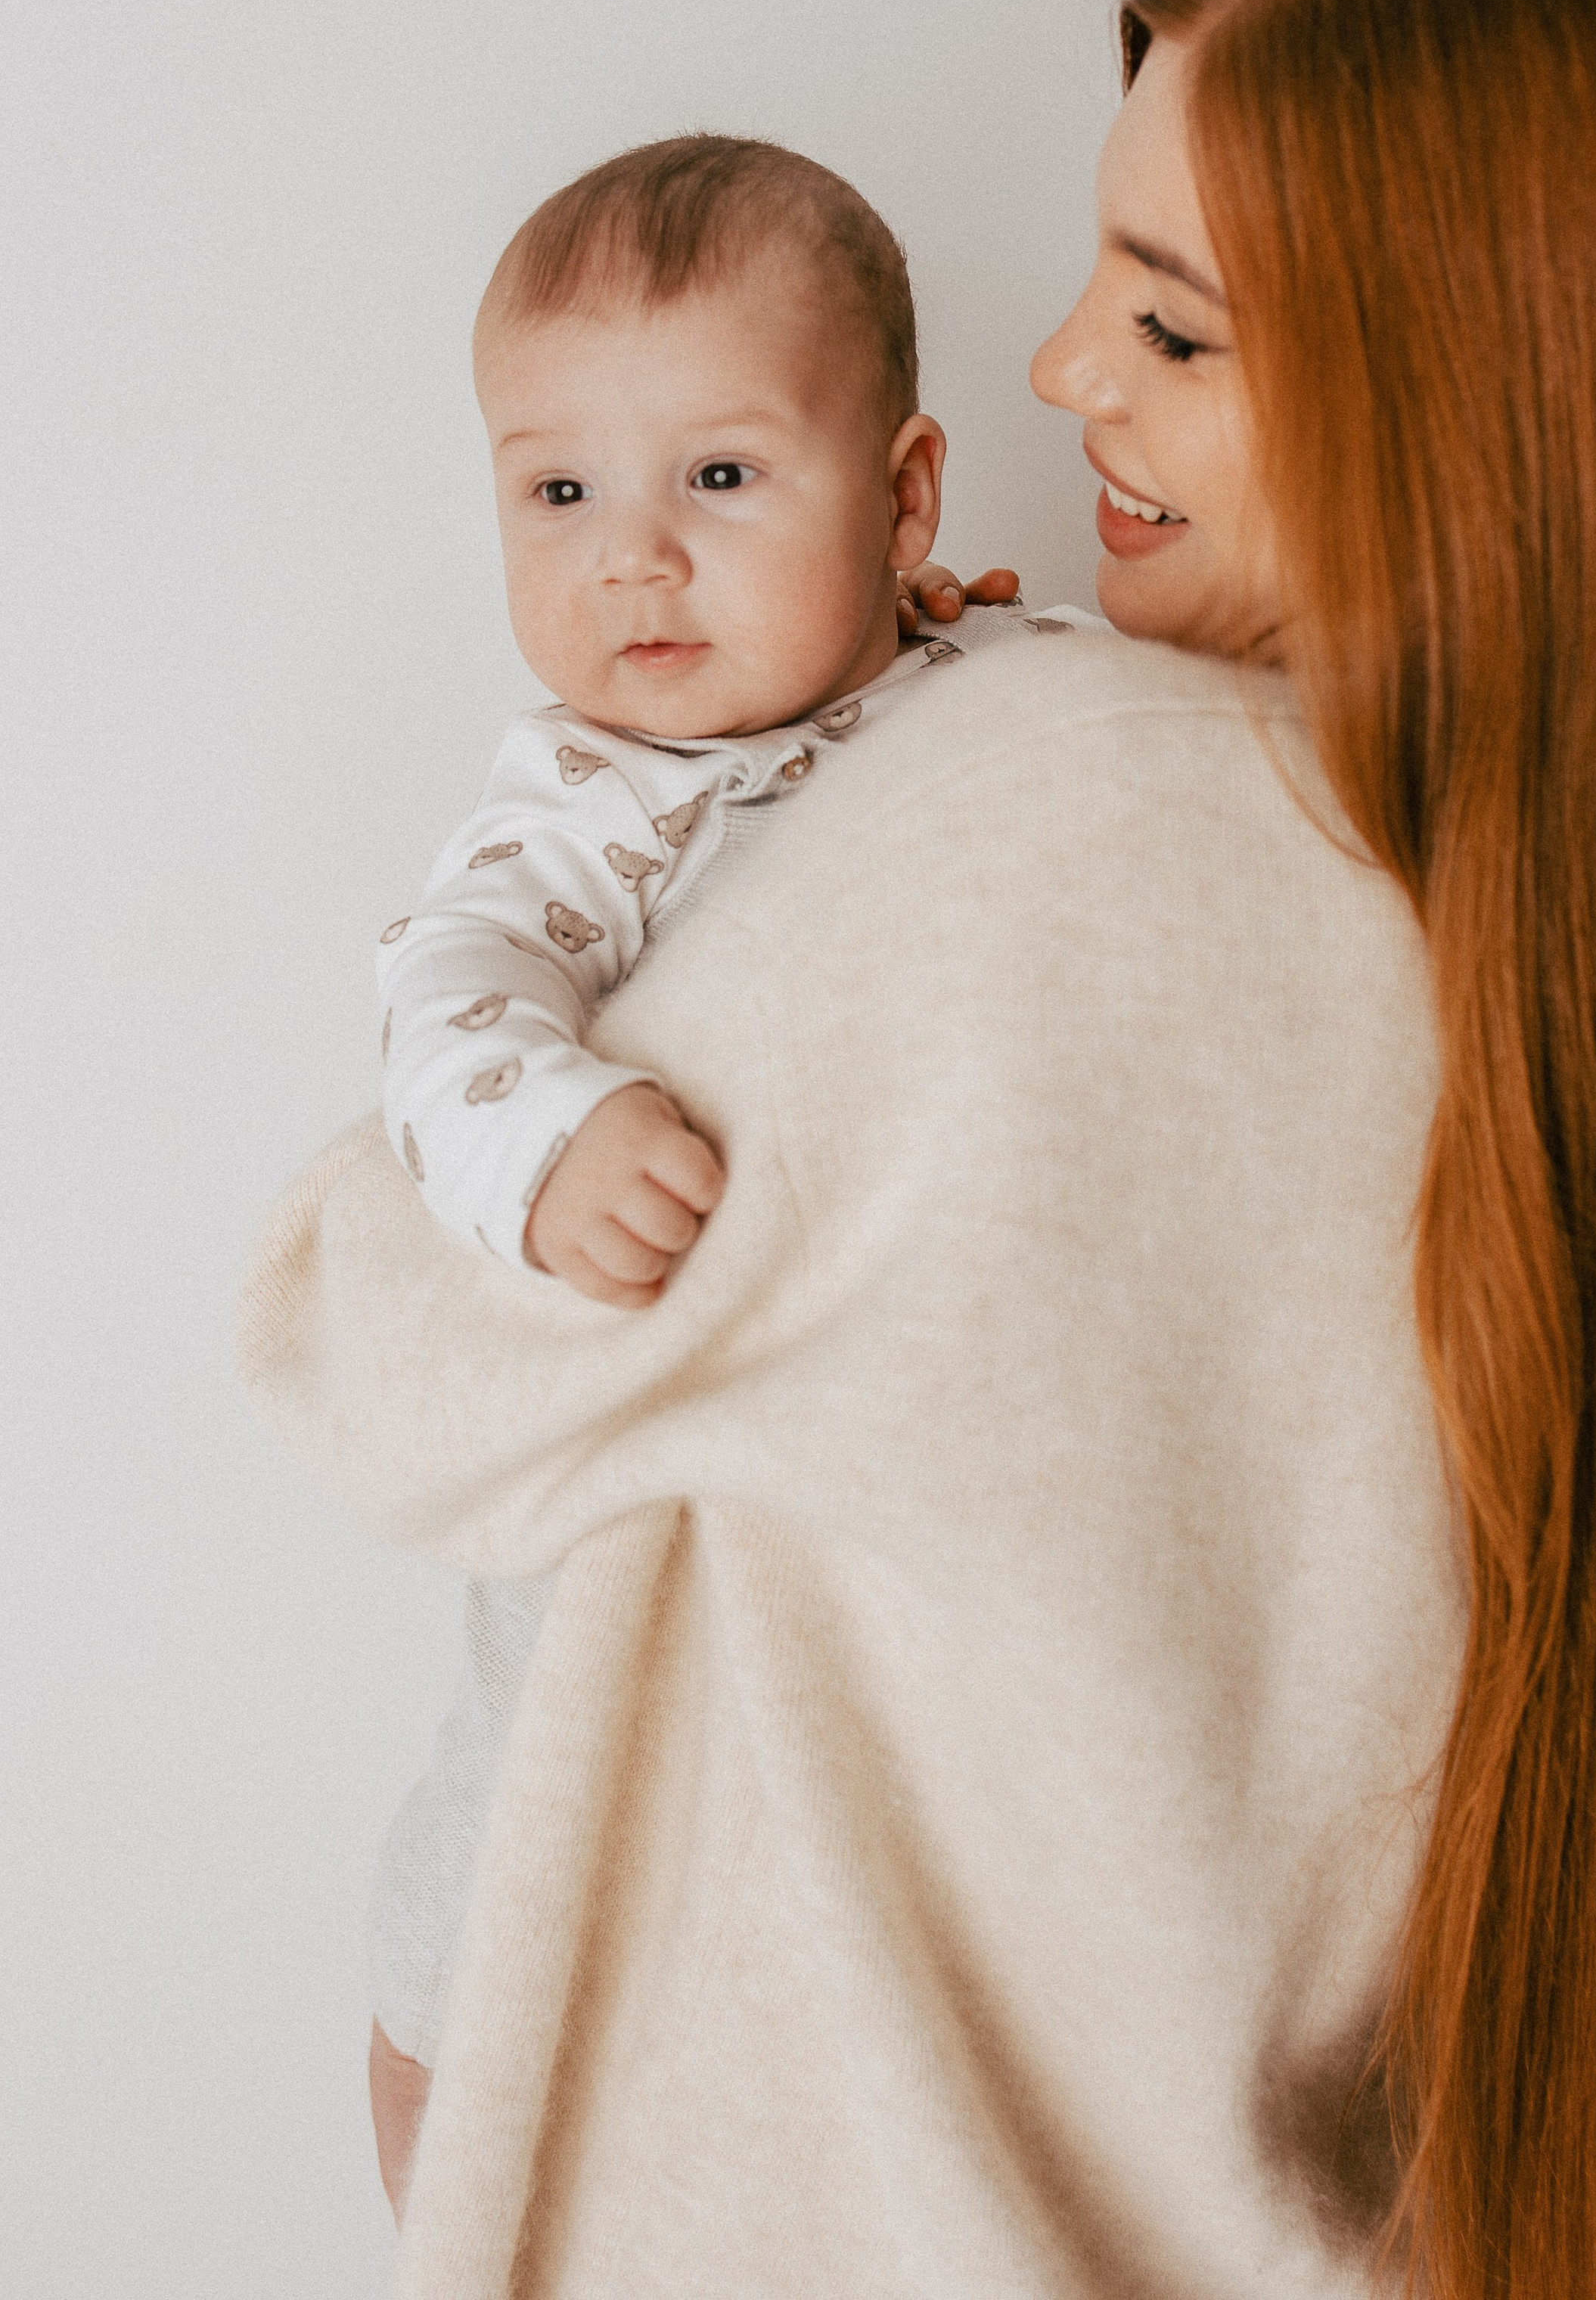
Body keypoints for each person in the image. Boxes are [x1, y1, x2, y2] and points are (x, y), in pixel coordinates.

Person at [242, 0, 1596, 2298]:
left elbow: (389, 1350)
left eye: (1175, 326)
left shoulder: (1072, 813)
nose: (1049, 371)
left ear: (1498, 402)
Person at [369, 130, 1064, 2165]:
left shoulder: (1017, 683)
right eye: (558, 491)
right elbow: (450, 995)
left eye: (724, 481)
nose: (632, 558)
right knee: (485, 1932)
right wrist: (557, 1136)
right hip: (607, 1556)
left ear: (908, 493)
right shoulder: (585, 802)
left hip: (889, 1550)